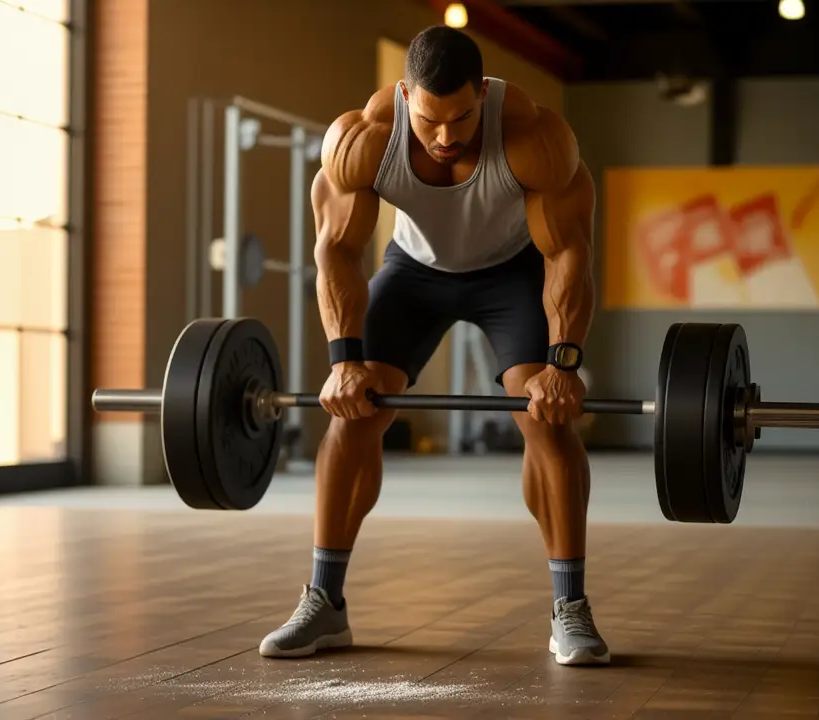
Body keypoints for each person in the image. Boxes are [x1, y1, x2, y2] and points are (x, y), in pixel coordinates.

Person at [259, 25, 606, 666]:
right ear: (406, 95)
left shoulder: (535, 140)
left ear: (483, 92)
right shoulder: (364, 139)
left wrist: (563, 365)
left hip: (511, 273)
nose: (444, 137)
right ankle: (324, 603)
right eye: (428, 121)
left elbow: (568, 254)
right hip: (414, 273)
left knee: (547, 423)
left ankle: (571, 609)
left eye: (463, 118)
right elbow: (336, 250)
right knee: (354, 416)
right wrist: (343, 362)